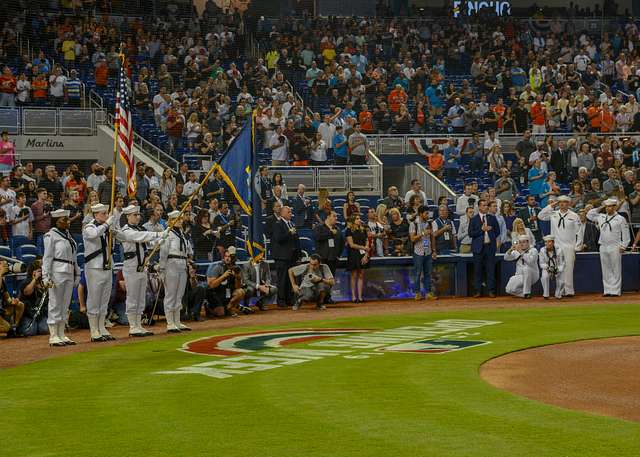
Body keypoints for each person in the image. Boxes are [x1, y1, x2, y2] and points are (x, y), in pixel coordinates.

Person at [115, 205, 167, 336]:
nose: (138, 217)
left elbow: (146, 244)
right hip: (131, 266)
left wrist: (159, 241)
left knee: (140, 298)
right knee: (132, 297)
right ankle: (133, 326)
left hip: (142, 266)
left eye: (138, 215)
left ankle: (138, 325)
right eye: (134, 215)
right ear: (127, 217)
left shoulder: (140, 229)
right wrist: (157, 234)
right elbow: (139, 237)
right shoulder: (126, 231)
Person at [42, 209, 80, 347]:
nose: (67, 221)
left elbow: (74, 257)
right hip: (57, 271)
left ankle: (62, 333)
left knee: (65, 304)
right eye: (64, 220)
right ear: (56, 221)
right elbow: (47, 258)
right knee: (55, 303)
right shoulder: (51, 236)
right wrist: (45, 276)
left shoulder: (68, 236)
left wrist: (77, 273)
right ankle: (53, 335)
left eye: (68, 219)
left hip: (69, 271)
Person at [82, 203, 117, 342]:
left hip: (107, 266)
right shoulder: (89, 227)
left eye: (107, 213)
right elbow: (94, 234)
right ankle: (94, 329)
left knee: (104, 300)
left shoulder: (106, 229)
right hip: (94, 268)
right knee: (94, 299)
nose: (106, 216)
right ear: (96, 214)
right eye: (103, 213)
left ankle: (101, 326)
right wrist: (107, 225)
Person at [537, 195, 582, 297]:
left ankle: (569, 291)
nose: (562, 204)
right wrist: (552, 205)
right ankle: (560, 291)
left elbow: (579, 232)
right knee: (558, 270)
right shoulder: (553, 214)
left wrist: (577, 246)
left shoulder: (574, 215)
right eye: (560, 202)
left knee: (569, 269)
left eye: (565, 202)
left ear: (569, 204)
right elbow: (540, 215)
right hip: (556, 246)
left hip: (569, 245)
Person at [587, 199, 630, 297]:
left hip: (615, 246)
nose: (608, 208)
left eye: (610, 206)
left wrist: (624, 245)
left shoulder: (620, 218)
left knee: (615, 268)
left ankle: (615, 291)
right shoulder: (601, 217)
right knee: (605, 269)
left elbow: (626, 234)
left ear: (614, 207)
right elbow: (589, 215)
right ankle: (607, 290)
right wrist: (601, 207)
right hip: (603, 246)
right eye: (607, 206)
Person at [159, 211, 193, 331]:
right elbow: (163, 252)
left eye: (180, 219)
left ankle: (177, 321)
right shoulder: (168, 233)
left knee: (179, 294)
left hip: (182, 264)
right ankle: (170, 322)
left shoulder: (182, 234)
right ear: (171, 221)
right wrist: (162, 269)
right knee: (171, 294)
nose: (180, 221)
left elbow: (188, 250)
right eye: (177, 219)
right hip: (171, 264)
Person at [469, 199, 500, 297]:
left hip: (490, 247)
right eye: (483, 205)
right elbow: (470, 233)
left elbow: (497, 231)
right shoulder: (474, 219)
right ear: (479, 207)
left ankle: (491, 290)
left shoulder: (492, 218)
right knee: (477, 270)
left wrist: (490, 234)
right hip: (478, 248)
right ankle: (477, 291)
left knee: (490, 269)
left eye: (486, 205)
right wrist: (481, 230)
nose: (486, 207)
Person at [206, 247, 248, 317]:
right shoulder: (218, 267)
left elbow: (237, 287)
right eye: (226, 256)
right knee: (220, 314)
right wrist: (223, 276)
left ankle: (229, 308)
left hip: (227, 293)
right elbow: (211, 285)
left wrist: (238, 278)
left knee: (240, 292)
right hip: (216, 293)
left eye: (229, 257)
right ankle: (208, 307)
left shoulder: (236, 268)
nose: (227, 258)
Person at [272, 206, 300, 308]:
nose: (290, 213)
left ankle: (289, 299)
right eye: (288, 212)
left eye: (291, 212)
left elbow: (296, 239)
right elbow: (279, 239)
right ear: (282, 213)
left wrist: (299, 254)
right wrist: (289, 233)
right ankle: (281, 300)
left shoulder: (292, 224)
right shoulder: (278, 224)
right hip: (282, 257)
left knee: (290, 279)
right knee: (282, 279)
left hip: (292, 256)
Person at [313, 211, 344, 303]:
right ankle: (319, 298)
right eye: (334, 216)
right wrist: (330, 233)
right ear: (328, 217)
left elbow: (342, 243)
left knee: (330, 278)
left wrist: (338, 255)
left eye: (336, 216)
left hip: (333, 258)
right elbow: (318, 237)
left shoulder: (337, 229)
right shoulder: (319, 227)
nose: (336, 218)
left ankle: (328, 297)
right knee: (320, 279)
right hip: (322, 258)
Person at [409, 205, 437, 300]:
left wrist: (434, 251)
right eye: (426, 213)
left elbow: (432, 237)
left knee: (428, 273)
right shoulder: (414, 224)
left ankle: (428, 293)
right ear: (421, 214)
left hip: (428, 251)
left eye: (428, 213)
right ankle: (417, 293)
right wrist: (422, 233)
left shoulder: (429, 223)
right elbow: (412, 239)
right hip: (418, 252)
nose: (428, 215)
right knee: (417, 273)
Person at [17, 259, 48, 336]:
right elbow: (27, 292)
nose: (41, 273)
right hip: (28, 314)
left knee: (45, 330)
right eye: (39, 271)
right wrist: (34, 279)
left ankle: (37, 325)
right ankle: (20, 328)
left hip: (40, 314)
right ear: (33, 272)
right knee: (30, 332)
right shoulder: (26, 282)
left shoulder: (43, 282)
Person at [345, 214, 369, 303]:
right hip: (353, 254)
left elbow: (367, 242)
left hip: (362, 254)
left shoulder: (363, 230)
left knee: (361, 275)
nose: (359, 220)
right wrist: (364, 248)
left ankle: (360, 297)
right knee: (354, 275)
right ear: (352, 220)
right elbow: (351, 244)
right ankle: (354, 297)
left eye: (359, 218)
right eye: (357, 219)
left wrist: (366, 255)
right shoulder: (348, 231)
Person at [0, 260, 24, 337]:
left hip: (1, 310)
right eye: (3, 265)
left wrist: (12, 301)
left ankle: (13, 329)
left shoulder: (2, 280)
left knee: (20, 305)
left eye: (6, 265)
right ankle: (9, 328)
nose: (6, 267)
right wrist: (0, 274)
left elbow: (7, 298)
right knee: (6, 327)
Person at [539, 235, 565, 300]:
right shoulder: (542, 250)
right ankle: (546, 294)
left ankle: (558, 294)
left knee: (562, 281)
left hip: (557, 268)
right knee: (544, 277)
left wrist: (557, 269)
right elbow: (541, 263)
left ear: (553, 242)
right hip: (547, 268)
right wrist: (548, 268)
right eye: (545, 242)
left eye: (549, 242)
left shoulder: (559, 250)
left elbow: (563, 263)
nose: (547, 244)